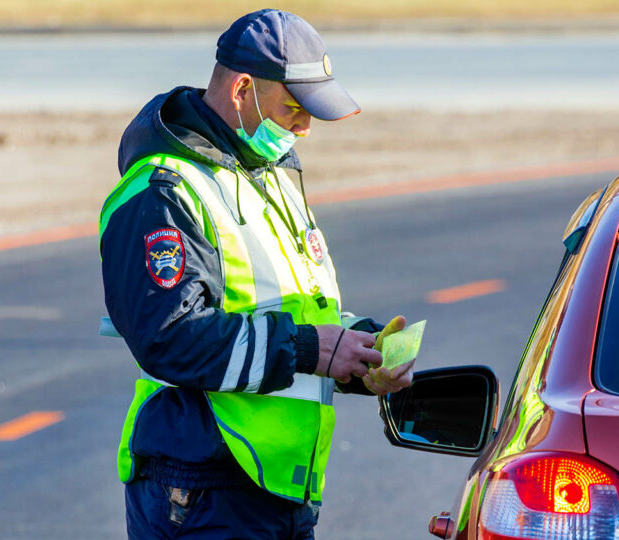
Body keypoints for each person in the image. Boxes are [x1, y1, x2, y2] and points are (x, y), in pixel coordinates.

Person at [99, 9, 414, 539]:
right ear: (243, 89)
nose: (305, 127)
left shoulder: (271, 173)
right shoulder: (163, 192)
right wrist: (314, 349)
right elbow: (171, 339)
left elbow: (293, 306)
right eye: (294, 108)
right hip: (201, 486)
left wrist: (360, 350)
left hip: (276, 490)